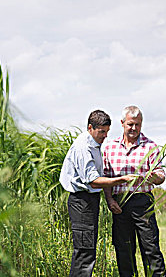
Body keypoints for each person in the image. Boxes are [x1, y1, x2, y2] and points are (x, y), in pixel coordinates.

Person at [59, 110, 139, 277]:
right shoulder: (84, 147)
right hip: (81, 201)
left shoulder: (95, 144)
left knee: (88, 250)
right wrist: (121, 179)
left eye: (107, 132)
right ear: (90, 127)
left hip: (90, 200)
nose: (105, 136)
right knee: (84, 251)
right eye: (102, 131)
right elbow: (92, 181)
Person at [103, 106, 166, 277]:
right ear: (122, 123)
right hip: (119, 204)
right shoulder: (110, 148)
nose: (134, 128)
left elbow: (161, 175)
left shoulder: (151, 147)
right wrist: (110, 201)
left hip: (142, 203)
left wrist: (154, 177)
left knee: (150, 248)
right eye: (130, 124)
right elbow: (106, 178)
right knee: (123, 249)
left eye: (137, 125)